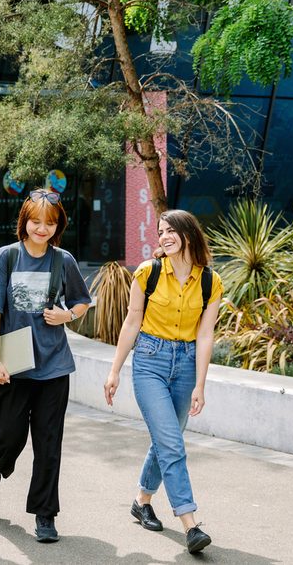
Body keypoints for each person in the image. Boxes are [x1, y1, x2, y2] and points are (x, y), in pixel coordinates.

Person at [103, 209, 223, 554]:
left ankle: (142, 500)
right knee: (172, 443)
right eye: (161, 232)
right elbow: (131, 323)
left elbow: (205, 335)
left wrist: (201, 383)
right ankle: (190, 523)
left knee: (166, 439)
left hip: (186, 364)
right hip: (150, 362)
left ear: (189, 233)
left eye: (171, 231)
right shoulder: (148, 272)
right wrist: (114, 371)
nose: (164, 237)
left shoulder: (210, 281)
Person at [0, 188, 91, 543]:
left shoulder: (63, 261)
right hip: (13, 366)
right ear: (24, 221)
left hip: (54, 366)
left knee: (48, 441)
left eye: (50, 223)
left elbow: (83, 301)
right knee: (9, 436)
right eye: (36, 221)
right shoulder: (6, 258)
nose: (42, 229)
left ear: (58, 227)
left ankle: (45, 514)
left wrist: (67, 315)